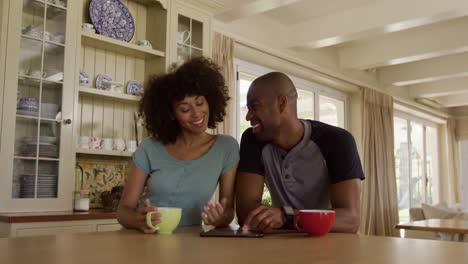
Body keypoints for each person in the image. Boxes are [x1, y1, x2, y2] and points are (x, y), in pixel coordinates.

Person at [117, 57, 239, 234]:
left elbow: (228, 211)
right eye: (184, 109)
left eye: (199, 103)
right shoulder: (150, 147)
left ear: (210, 101)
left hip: (192, 243)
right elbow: (123, 210)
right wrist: (139, 220)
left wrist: (220, 218)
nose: (196, 113)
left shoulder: (226, 148)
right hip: (144, 240)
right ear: (171, 113)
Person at [236, 72, 364, 233]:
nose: (248, 117)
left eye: (255, 107)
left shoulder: (338, 141)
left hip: (330, 245)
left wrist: (287, 216)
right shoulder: (252, 139)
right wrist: (284, 218)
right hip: (282, 245)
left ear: (281, 103)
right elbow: (245, 213)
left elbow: (350, 219)